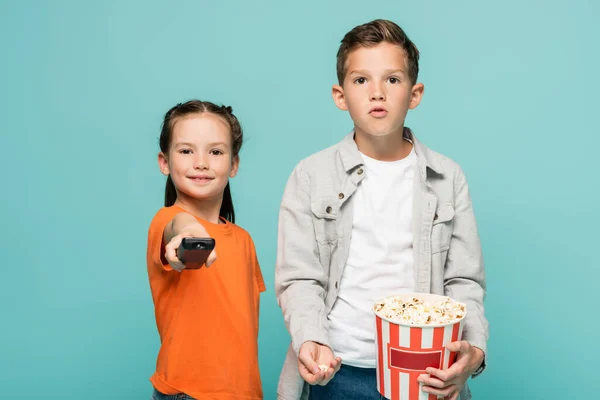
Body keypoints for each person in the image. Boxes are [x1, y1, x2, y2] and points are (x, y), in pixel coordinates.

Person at [275, 20, 488, 400]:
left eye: (392, 80)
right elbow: (299, 278)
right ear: (340, 96)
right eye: (361, 81)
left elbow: (464, 281)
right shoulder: (310, 176)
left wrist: (474, 350)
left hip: (427, 369)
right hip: (337, 368)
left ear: (414, 93)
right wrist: (311, 339)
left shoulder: (447, 177)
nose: (377, 93)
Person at [147, 100, 266, 400]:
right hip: (187, 393)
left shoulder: (243, 241)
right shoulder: (165, 221)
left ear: (234, 164)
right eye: (186, 150)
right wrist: (190, 233)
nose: (201, 162)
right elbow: (178, 224)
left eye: (215, 151)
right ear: (164, 162)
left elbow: (245, 330)